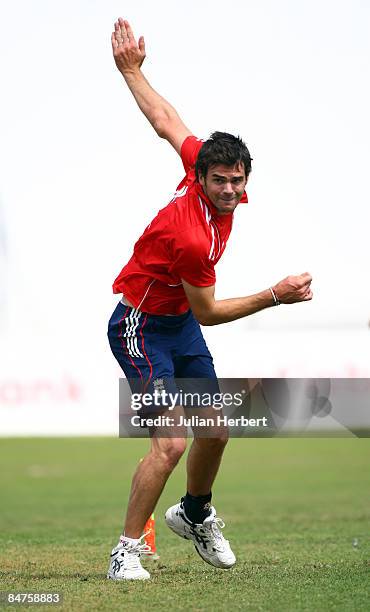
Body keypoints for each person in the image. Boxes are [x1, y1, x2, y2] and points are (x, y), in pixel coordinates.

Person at [107, 17, 313, 581]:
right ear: (201, 178)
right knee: (171, 442)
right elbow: (209, 312)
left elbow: (166, 121)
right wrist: (275, 295)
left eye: (235, 178)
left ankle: (194, 513)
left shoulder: (204, 170)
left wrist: (131, 72)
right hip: (142, 326)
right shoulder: (191, 234)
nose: (227, 187)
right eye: (217, 178)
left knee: (217, 427)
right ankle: (126, 550)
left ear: (246, 179)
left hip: (178, 324)